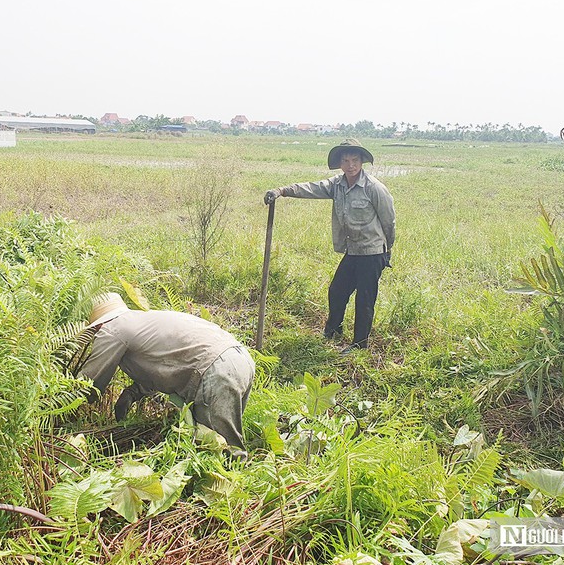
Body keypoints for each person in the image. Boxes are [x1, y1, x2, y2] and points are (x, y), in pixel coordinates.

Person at [264, 138, 395, 352]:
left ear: (362, 162)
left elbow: (389, 221)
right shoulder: (337, 185)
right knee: (337, 291)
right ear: (340, 163)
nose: (350, 165)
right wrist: (281, 190)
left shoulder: (374, 188)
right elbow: (311, 188)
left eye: (355, 160)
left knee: (364, 300)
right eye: (346, 160)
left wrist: (387, 251)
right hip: (352, 250)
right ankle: (333, 331)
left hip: (372, 252)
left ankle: (359, 345)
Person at [79, 293, 255, 450]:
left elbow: (88, 385)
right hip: (240, 358)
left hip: (216, 370)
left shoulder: (112, 329)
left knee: (218, 450)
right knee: (224, 444)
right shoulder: (143, 320)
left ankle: (238, 484)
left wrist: (65, 404)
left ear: (98, 324)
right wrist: (133, 393)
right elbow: (165, 363)